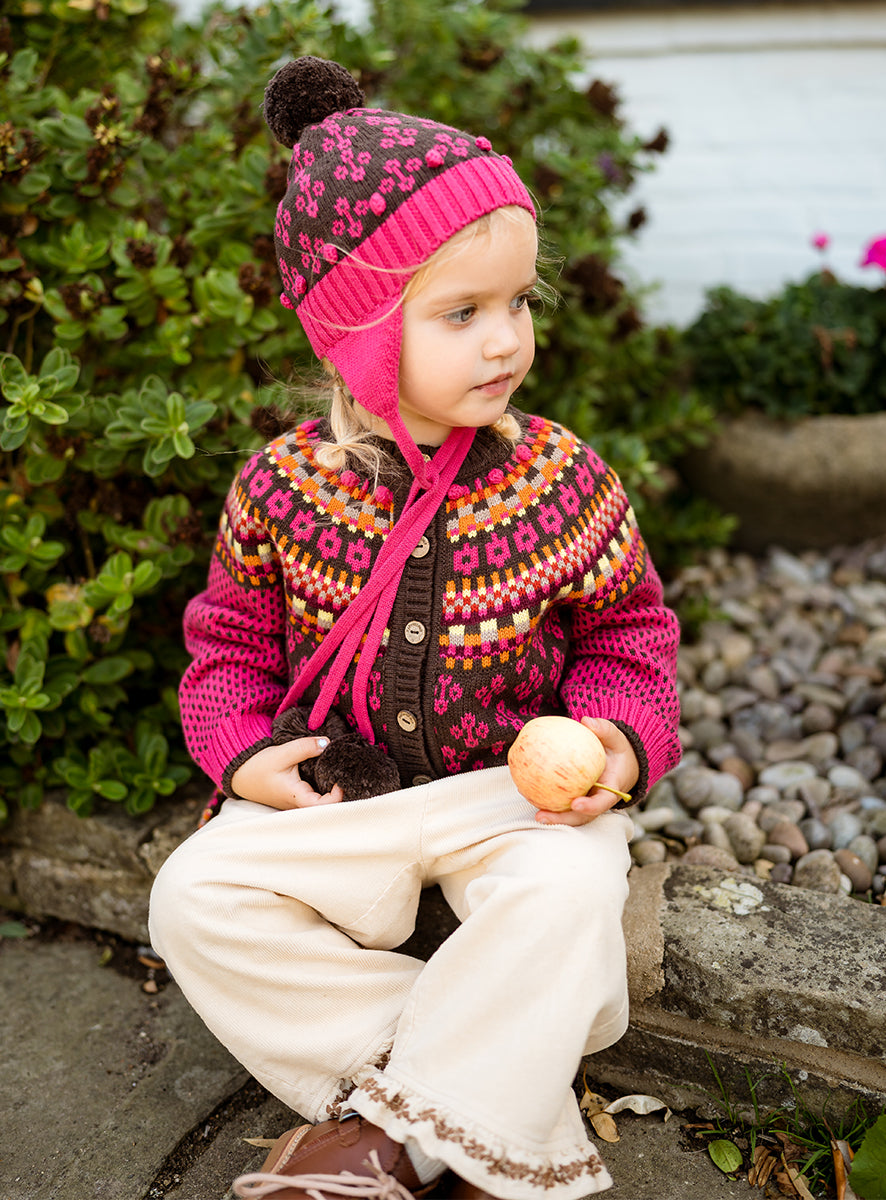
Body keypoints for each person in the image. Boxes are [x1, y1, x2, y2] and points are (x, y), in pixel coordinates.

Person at [148, 55, 682, 1200]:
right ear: (355, 331)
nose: (506, 341)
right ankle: (477, 1098)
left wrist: (618, 742)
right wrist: (244, 756)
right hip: (342, 798)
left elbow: (628, 635)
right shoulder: (285, 487)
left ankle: (381, 1141)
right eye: (462, 313)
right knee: (191, 902)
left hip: (511, 800)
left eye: (520, 302)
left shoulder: (559, 480)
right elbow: (227, 650)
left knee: (572, 891)